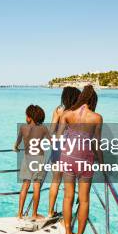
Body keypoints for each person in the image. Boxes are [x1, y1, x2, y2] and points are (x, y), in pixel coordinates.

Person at [59, 85, 103, 234]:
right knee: (84, 200)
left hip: (68, 157)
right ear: (93, 100)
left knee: (68, 196)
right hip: (85, 160)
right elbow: (96, 144)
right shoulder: (97, 117)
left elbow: (58, 137)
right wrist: (103, 165)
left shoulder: (67, 114)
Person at [47, 86, 81, 218]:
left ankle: (50, 212)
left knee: (55, 181)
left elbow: (51, 131)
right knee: (69, 185)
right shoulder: (77, 111)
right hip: (70, 149)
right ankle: (66, 216)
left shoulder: (58, 110)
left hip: (57, 147)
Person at [14, 105, 50, 220]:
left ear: (29, 117)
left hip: (27, 158)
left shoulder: (23, 128)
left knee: (25, 185)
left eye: (26, 115)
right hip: (39, 158)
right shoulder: (43, 128)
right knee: (37, 186)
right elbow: (51, 142)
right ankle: (34, 214)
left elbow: (17, 143)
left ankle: (19, 214)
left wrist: (15, 147)